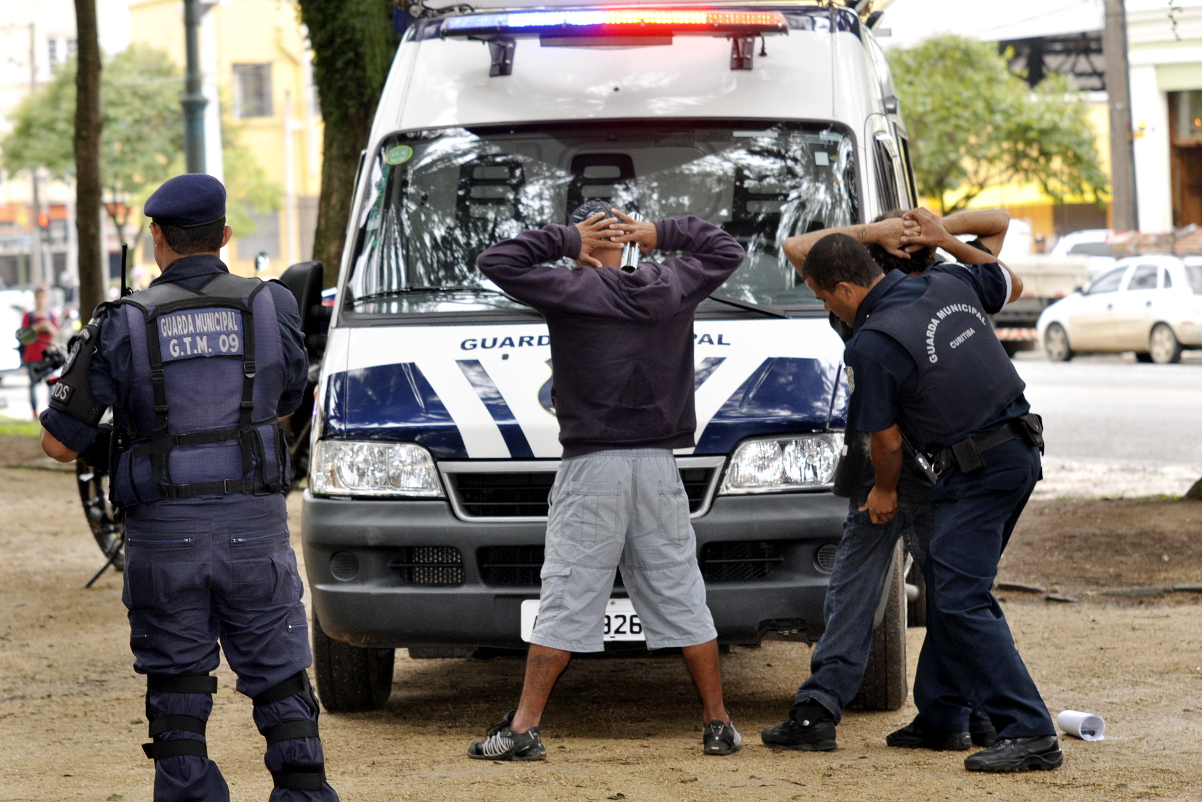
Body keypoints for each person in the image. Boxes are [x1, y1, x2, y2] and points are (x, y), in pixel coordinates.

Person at [38, 174, 339, 801]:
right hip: (254, 529)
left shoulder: (121, 320)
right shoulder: (271, 303)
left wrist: (128, 446)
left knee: (177, 691)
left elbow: (60, 442)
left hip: (164, 536)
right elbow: (284, 401)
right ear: (224, 236)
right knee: (282, 682)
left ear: (156, 238)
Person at [468, 199, 746, 760]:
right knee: (680, 590)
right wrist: (663, 230)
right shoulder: (672, 286)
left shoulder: (571, 290)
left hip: (592, 464)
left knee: (568, 593)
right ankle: (718, 723)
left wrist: (565, 240)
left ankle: (523, 730)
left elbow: (496, 260)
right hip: (659, 465)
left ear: (589, 240)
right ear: (631, 240)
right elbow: (727, 248)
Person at [797, 211, 1062, 773]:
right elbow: (1001, 271)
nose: (825, 307)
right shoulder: (948, 280)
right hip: (1018, 452)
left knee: (961, 597)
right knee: (954, 587)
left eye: (824, 298)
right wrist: (943, 239)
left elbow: (886, 444)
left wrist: (885, 492)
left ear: (845, 288)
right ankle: (947, 713)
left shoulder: (871, 341)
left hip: (977, 470)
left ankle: (1030, 730)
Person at [760, 207, 1012, 753]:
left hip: (897, 469)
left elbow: (799, 246)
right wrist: (932, 230)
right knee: (954, 589)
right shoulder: (954, 282)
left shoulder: (866, 317)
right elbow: (998, 226)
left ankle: (822, 707)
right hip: (933, 467)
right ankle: (975, 712)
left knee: (865, 585)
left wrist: (887, 232)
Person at [20, 286, 61, 418]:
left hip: (48, 356)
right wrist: (38, 327)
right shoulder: (29, 316)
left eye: (43, 297)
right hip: (32, 356)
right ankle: (34, 412)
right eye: (38, 297)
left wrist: (48, 327)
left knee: (50, 385)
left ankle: (50, 412)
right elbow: (24, 334)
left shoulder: (50, 315)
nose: (40, 300)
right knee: (33, 385)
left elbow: (56, 333)